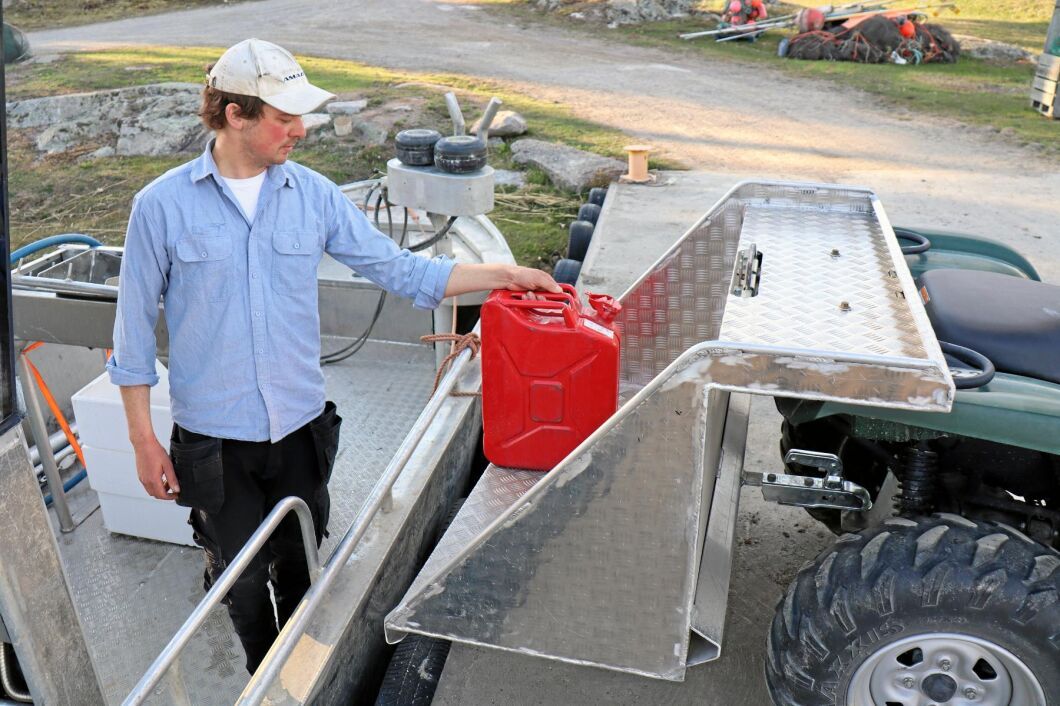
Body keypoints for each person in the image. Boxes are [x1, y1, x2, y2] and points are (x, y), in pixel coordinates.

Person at [106, 38, 560, 673]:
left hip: (298, 427)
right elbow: (129, 338)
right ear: (236, 115)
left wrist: (504, 273)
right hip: (213, 440)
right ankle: (265, 674)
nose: (301, 129)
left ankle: (301, 672)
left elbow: (403, 272)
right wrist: (142, 442)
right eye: (283, 117)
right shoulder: (159, 207)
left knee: (301, 561)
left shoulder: (313, 195)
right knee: (238, 579)